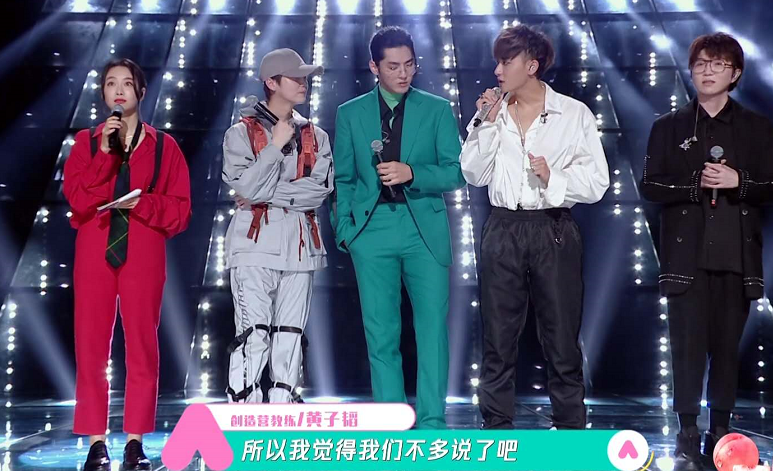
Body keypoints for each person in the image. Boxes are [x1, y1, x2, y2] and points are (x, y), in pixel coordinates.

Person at [640, 32, 773, 471]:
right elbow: (650, 185)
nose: (707, 70)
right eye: (701, 63)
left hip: (737, 255)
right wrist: (693, 184)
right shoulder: (669, 126)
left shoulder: (756, 128)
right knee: (686, 348)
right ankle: (686, 432)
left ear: (734, 74)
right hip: (687, 257)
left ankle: (721, 430)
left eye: (718, 64)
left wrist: (739, 182)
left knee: (726, 348)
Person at [460, 25, 609, 430]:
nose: (497, 70)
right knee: (498, 336)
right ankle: (496, 427)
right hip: (502, 228)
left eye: (506, 62)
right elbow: (473, 174)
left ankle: (570, 429)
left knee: (561, 337)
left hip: (553, 228)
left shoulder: (573, 113)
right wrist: (486, 124)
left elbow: (597, 182)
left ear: (531, 65)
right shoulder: (491, 112)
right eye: (497, 62)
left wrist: (553, 177)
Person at [330, 26, 465, 429]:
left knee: (432, 331)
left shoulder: (437, 109)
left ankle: (432, 422)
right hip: (371, 231)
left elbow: (457, 171)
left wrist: (413, 172)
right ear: (374, 67)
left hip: (423, 228)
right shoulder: (350, 113)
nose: (404, 73)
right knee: (381, 333)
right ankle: (391, 421)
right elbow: (344, 179)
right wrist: (346, 231)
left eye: (409, 65)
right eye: (393, 66)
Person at [63, 58, 191, 471]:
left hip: (143, 248)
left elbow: (181, 210)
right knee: (91, 345)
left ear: (141, 91)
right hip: (95, 247)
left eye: (127, 83)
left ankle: (135, 441)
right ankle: (96, 442)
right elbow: (78, 200)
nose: (118, 90)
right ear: (103, 93)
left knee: (141, 345)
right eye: (110, 83)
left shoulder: (164, 146)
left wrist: (144, 203)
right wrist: (104, 156)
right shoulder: (86, 142)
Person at [222, 48, 332, 404]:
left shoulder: (317, 135)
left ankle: (284, 414)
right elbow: (244, 186)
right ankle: (245, 416)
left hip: (301, 248)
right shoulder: (239, 133)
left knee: (291, 334)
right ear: (271, 82)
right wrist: (275, 147)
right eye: (295, 77)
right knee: (253, 334)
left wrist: (265, 193)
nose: (303, 83)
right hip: (254, 248)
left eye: (304, 78)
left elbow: (319, 191)